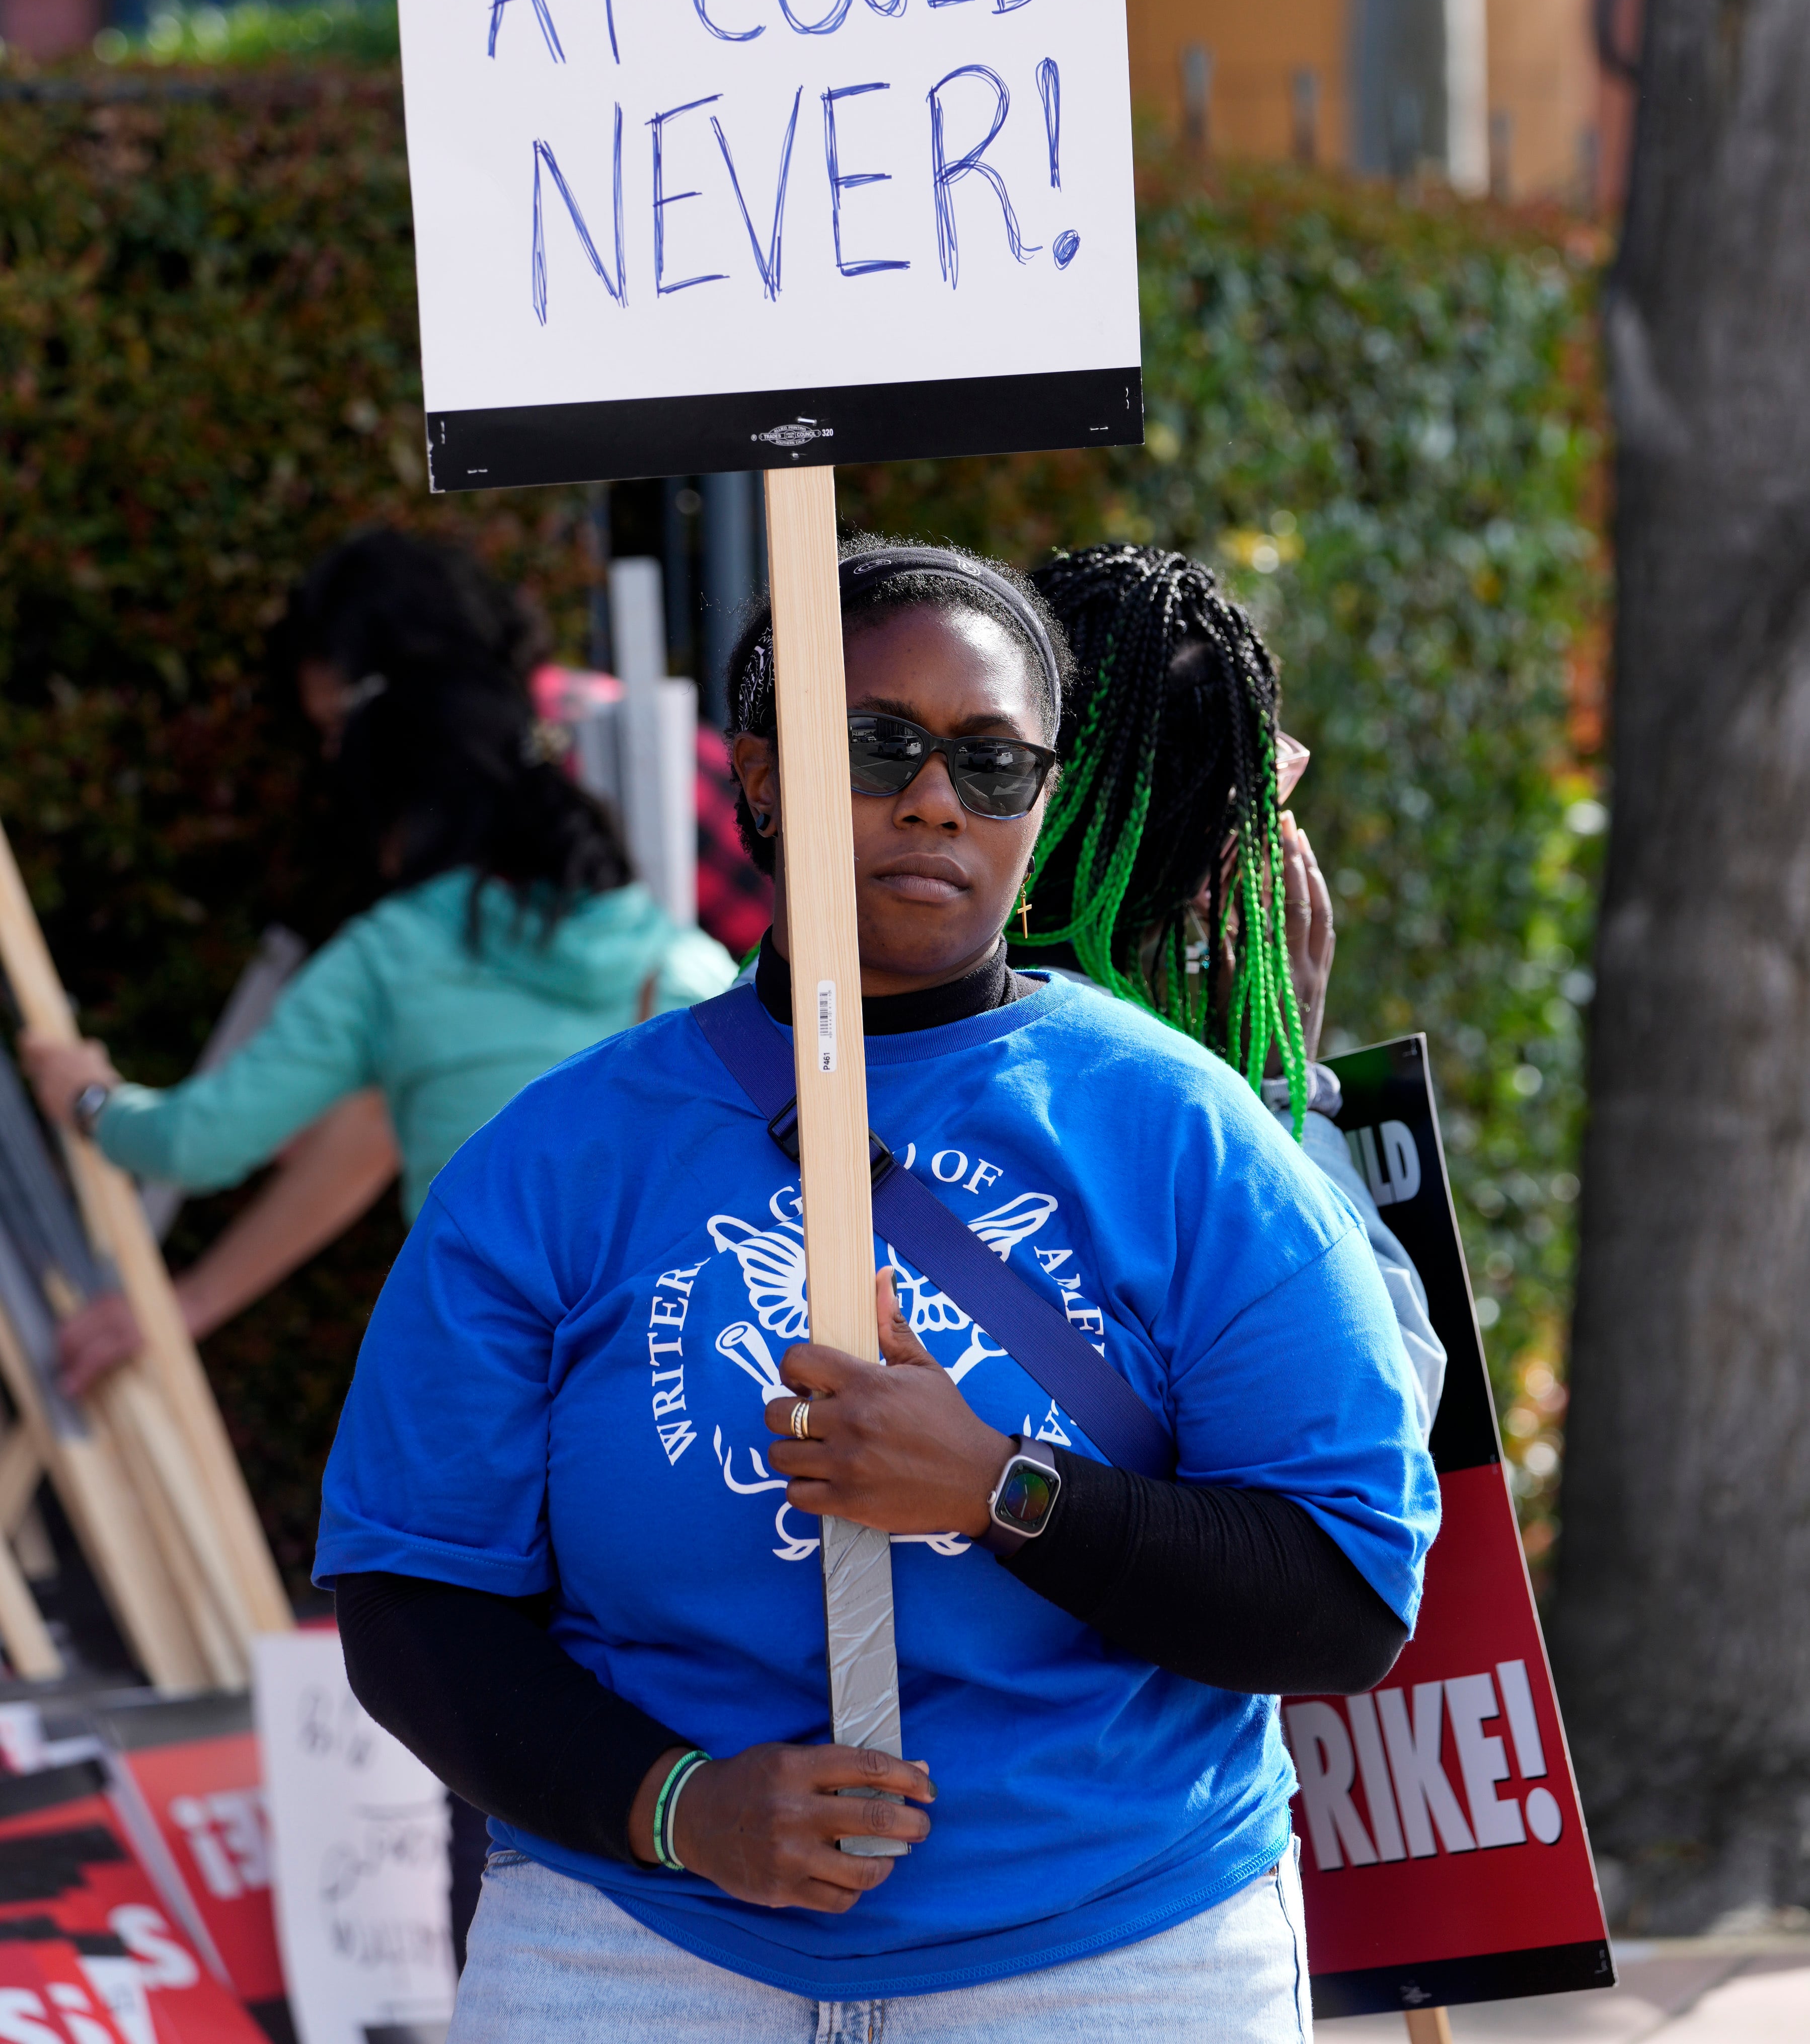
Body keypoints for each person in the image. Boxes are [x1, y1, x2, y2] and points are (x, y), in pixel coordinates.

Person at [315, 534, 1438, 2039]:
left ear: (1040, 810)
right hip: (638, 1957)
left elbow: (1340, 1601)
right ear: (760, 775)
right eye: (877, 744)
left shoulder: (1184, 1139)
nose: (930, 799)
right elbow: (410, 1592)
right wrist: (678, 1807)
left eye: (993, 764)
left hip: (1113, 1958)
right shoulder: (559, 1161)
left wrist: (1002, 1488)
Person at [23, 526, 737, 1396]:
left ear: (391, 727)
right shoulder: (678, 958)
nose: (333, 763)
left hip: (494, 1377)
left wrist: (95, 1101)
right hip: (672, 1381)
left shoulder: (406, 944)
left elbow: (226, 1136)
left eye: (338, 731)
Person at [1025, 543, 1445, 1433]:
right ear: (1218, 860)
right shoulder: (1185, 1118)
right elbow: (1381, 1417)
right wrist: (1279, 1086)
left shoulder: (844, 1007)